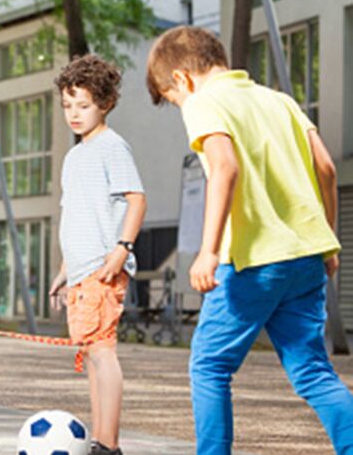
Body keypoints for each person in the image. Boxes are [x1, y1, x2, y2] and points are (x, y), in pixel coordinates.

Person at [146, 25, 353, 455]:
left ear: (182, 79)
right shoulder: (280, 100)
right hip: (305, 258)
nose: (180, 104)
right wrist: (328, 241)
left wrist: (207, 251)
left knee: (210, 366)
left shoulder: (204, 101)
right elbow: (327, 168)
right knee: (313, 372)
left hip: (251, 262)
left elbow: (225, 168)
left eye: (173, 97)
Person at [48, 55, 147, 455]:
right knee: (91, 352)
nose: (74, 113)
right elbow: (76, 218)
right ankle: (100, 441)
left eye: (83, 105)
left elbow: (136, 199)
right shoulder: (75, 156)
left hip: (103, 268)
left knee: (103, 351)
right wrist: (63, 271)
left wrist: (121, 251)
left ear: (104, 103)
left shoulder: (111, 145)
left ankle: (109, 442)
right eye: (67, 105)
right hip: (81, 271)